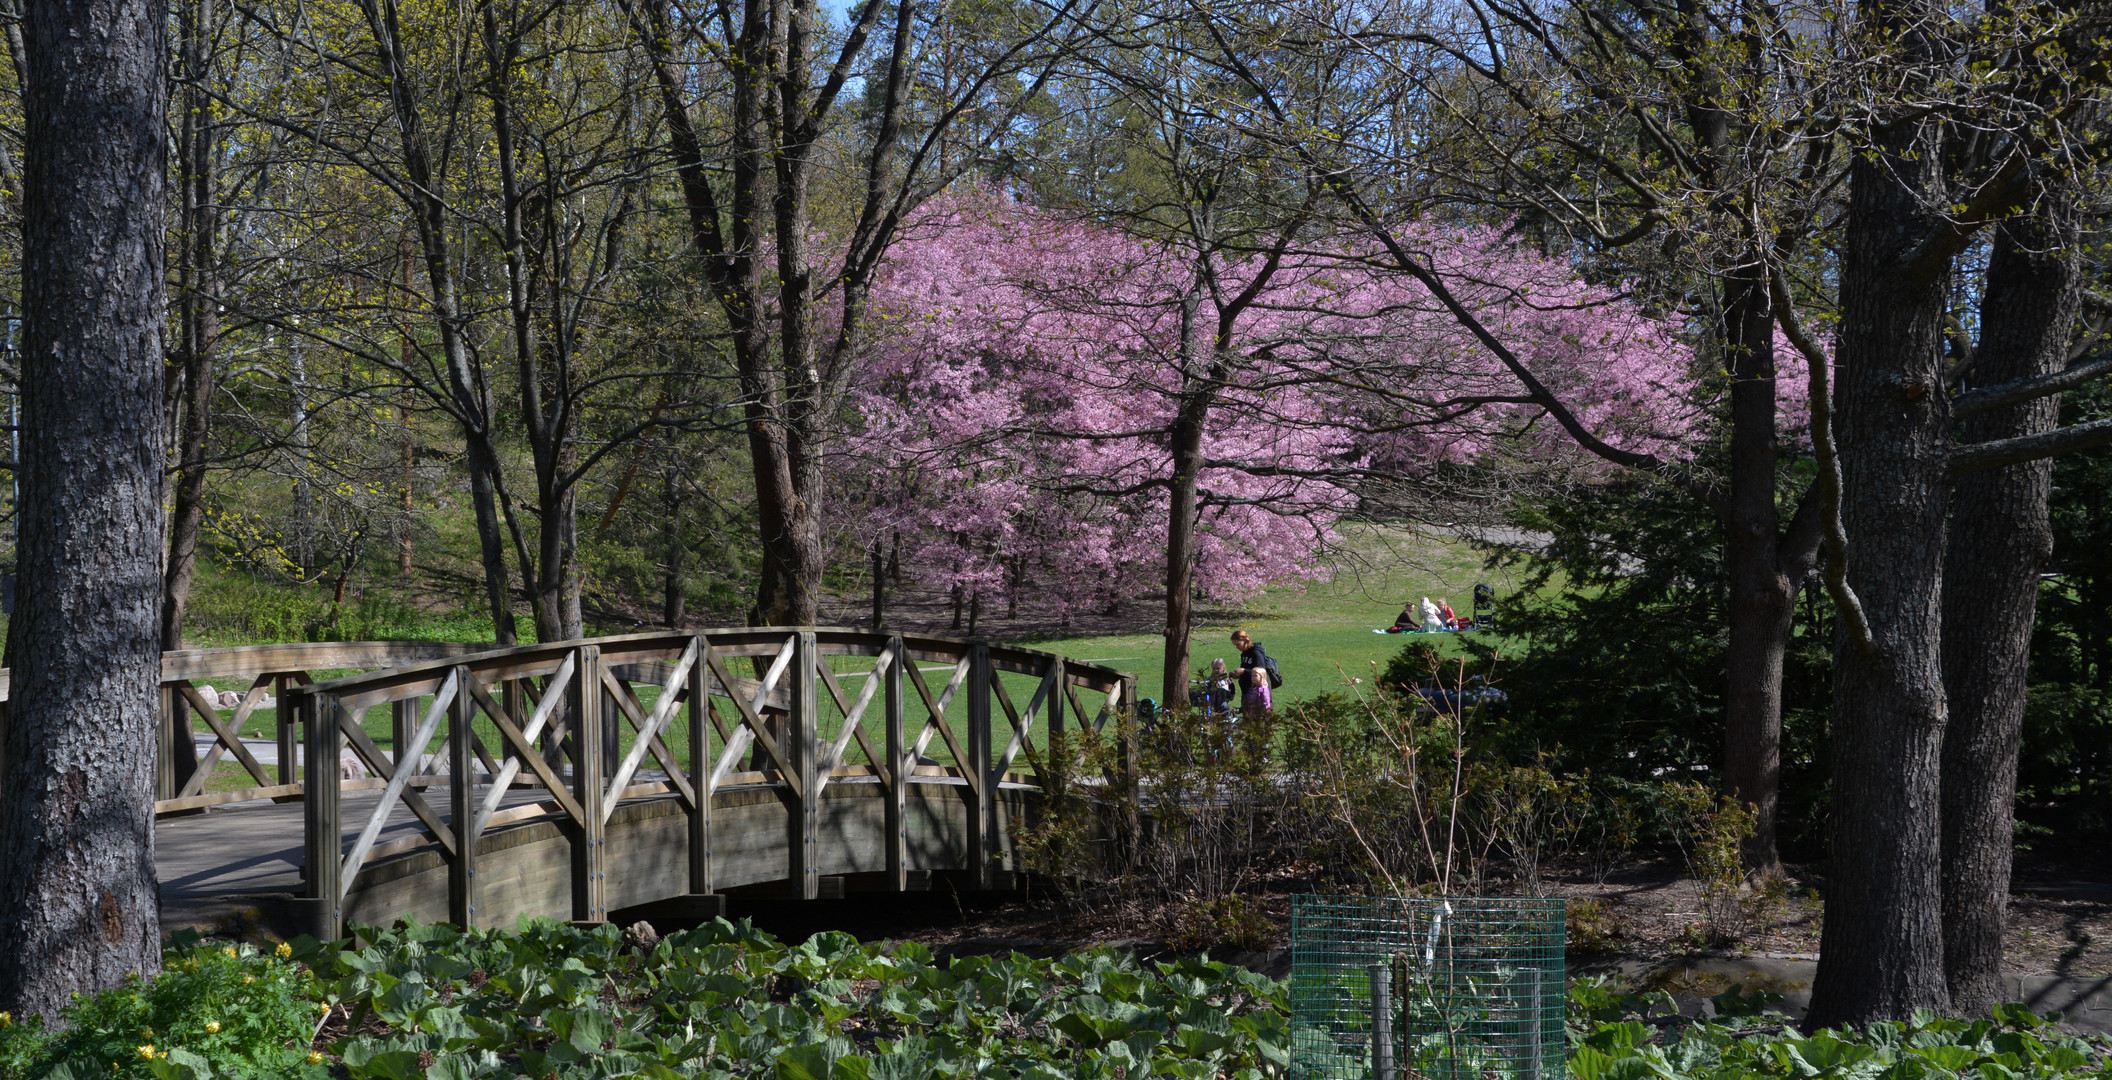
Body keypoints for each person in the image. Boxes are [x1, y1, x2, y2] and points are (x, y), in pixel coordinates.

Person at [1229, 630, 1278, 717]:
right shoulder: (1244, 654)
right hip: (1246, 691)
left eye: (1238, 644)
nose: (1236, 647)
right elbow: (1249, 670)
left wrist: (1244, 671)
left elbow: (1261, 670)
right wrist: (1238, 675)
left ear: (1245, 640)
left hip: (1256, 692)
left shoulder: (1256, 652)